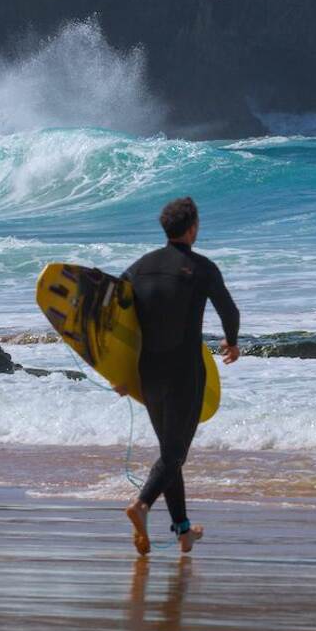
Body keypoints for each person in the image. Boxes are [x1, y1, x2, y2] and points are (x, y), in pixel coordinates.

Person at [121, 196, 239, 554]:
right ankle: (141, 506)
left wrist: (115, 368)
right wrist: (231, 344)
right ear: (193, 228)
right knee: (173, 455)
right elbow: (229, 311)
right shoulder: (201, 268)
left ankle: (183, 530)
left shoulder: (139, 268)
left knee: (169, 453)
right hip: (185, 372)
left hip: (148, 372)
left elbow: (115, 319)